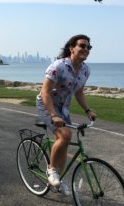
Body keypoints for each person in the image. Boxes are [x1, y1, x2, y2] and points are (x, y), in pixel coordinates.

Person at [36, 34, 97, 194]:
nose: (86, 49)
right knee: (66, 135)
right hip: (46, 105)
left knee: (64, 143)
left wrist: (88, 110)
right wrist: (53, 115)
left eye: (88, 47)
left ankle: (57, 180)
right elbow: (45, 92)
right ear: (72, 48)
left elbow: (79, 92)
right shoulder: (58, 66)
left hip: (63, 109)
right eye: (82, 46)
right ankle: (51, 171)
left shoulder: (85, 70)